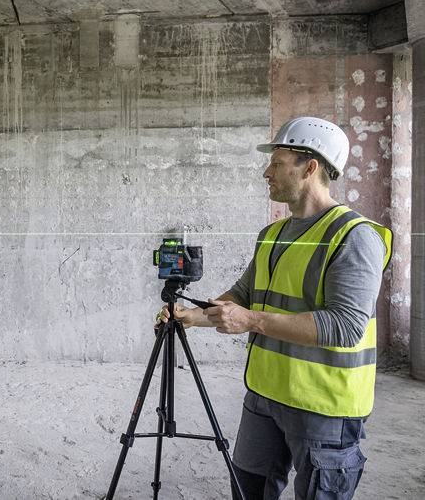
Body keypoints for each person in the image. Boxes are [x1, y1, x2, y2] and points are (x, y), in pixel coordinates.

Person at [157, 117, 392, 500]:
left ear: (310, 167)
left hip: (323, 406)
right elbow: (244, 294)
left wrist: (249, 321)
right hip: (265, 396)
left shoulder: (355, 236)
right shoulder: (272, 234)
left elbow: (346, 326)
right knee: (247, 489)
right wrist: (193, 317)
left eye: (278, 163)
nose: (267, 172)